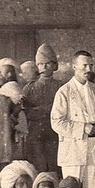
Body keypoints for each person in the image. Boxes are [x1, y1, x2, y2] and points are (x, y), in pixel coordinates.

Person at [51, 51, 95, 188]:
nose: (88, 68)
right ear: (74, 66)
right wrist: (83, 128)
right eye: (84, 65)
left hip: (94, 149)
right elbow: (56, 122)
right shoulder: (64, 92)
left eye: (90, 65)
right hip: (73, 153)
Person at [22, 43, 61, 173]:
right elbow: (26, 112)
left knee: (55, 170)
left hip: (55, 136)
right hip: (35, 137)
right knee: (37, 170)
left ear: (55, 65)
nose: (44, 67)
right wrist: (49, 110)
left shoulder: (61, 88)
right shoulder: (29, 88)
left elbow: (62, 110)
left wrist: (39, 110)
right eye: (40, 64)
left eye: (48, 63)